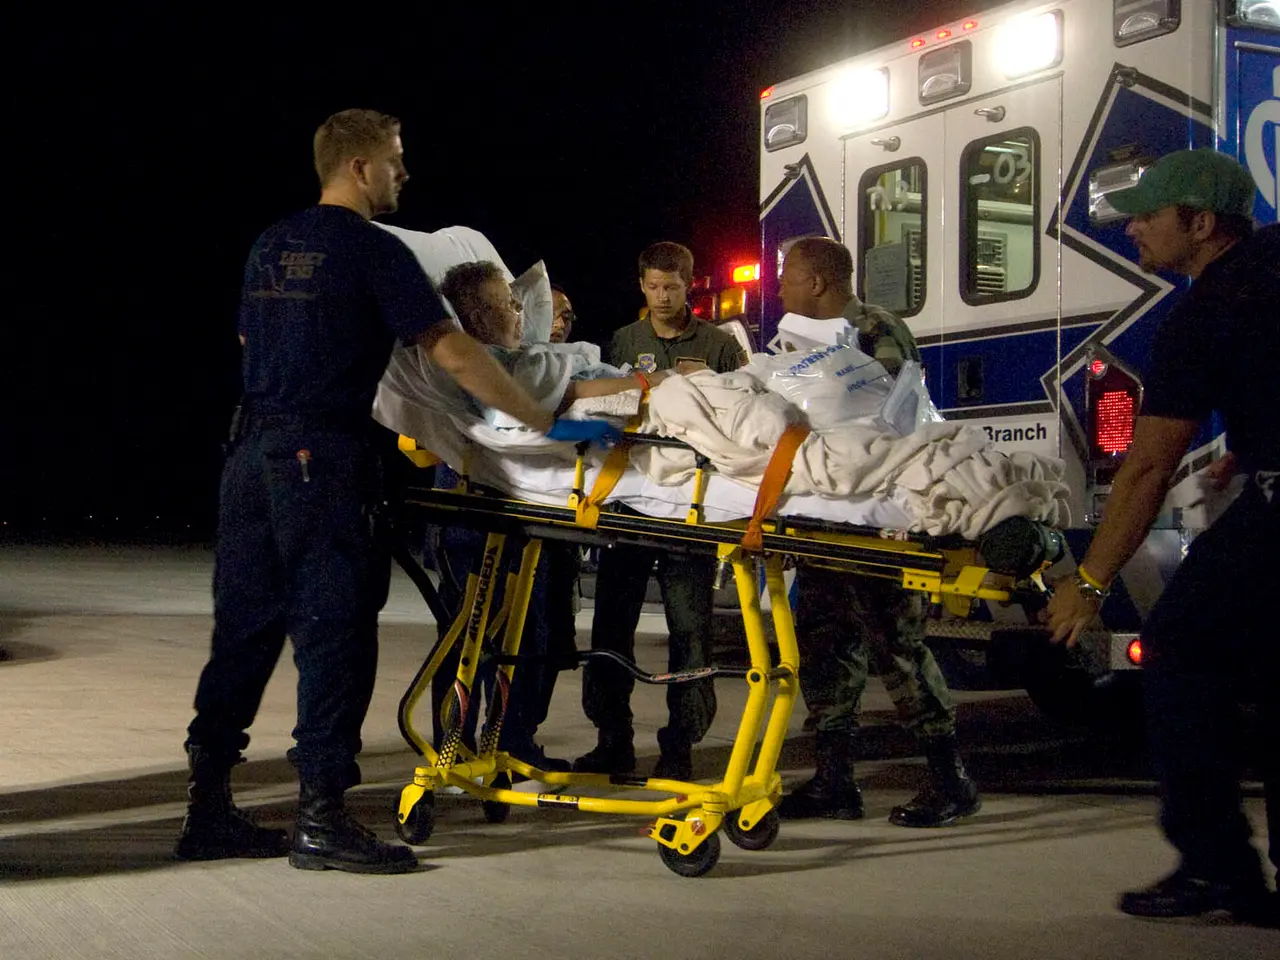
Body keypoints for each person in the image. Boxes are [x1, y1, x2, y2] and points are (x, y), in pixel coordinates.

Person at [176, 109, 615, 875]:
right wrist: (541, 418)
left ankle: (207, 806)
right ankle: (322, 818)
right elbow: (451, 351)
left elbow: (252, 342)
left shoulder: (270, 244)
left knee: (243, 632)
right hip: (323, 458)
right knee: (335, 634)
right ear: (360, 168)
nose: (404, 174)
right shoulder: (373, 250)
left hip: (249, 455)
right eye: (396, 161)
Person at [1045, 148, 1279, 926]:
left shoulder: (1205, 310)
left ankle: (1217, 867)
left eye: (1148, 216)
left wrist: (1091, 582)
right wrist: (1253, 445)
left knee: (1179, 650)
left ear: (1202, 224)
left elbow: (1147, 468)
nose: (1133, 229)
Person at [425, 261, 667, 770]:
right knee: (471, 635)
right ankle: (457, 744)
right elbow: (541, 407)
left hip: (525, 511)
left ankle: (512, 742)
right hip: (477, 510)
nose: (520, 312)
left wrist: (642, 386)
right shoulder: (484, 366)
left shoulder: (529, 359)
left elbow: (572, 387)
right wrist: (640, 387)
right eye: (508, 303)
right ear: (477, 315)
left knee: (528, 634)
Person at [773, 236, 981, 827]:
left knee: (898, 646)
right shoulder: (802, 339)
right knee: (823, 645)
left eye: (789, 275)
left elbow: (897, 421)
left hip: (874, 523)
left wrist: (900, 515)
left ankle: (951, 780)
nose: (780, 285)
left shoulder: (875, 331)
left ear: (818, 282)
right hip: (826, 520)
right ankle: (835, 781)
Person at [573, 242, 747, 781]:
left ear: (689, 285)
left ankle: (681, 747)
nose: (662, 296)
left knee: (690, 632)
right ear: (641, 285)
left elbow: (742, 418)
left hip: (687, 514)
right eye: (652, 286)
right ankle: (612, 741)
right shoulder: (626, 341)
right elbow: (603, 409)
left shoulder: (719, 345)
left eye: (671, 287)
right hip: (629, 508)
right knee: (610, 628)